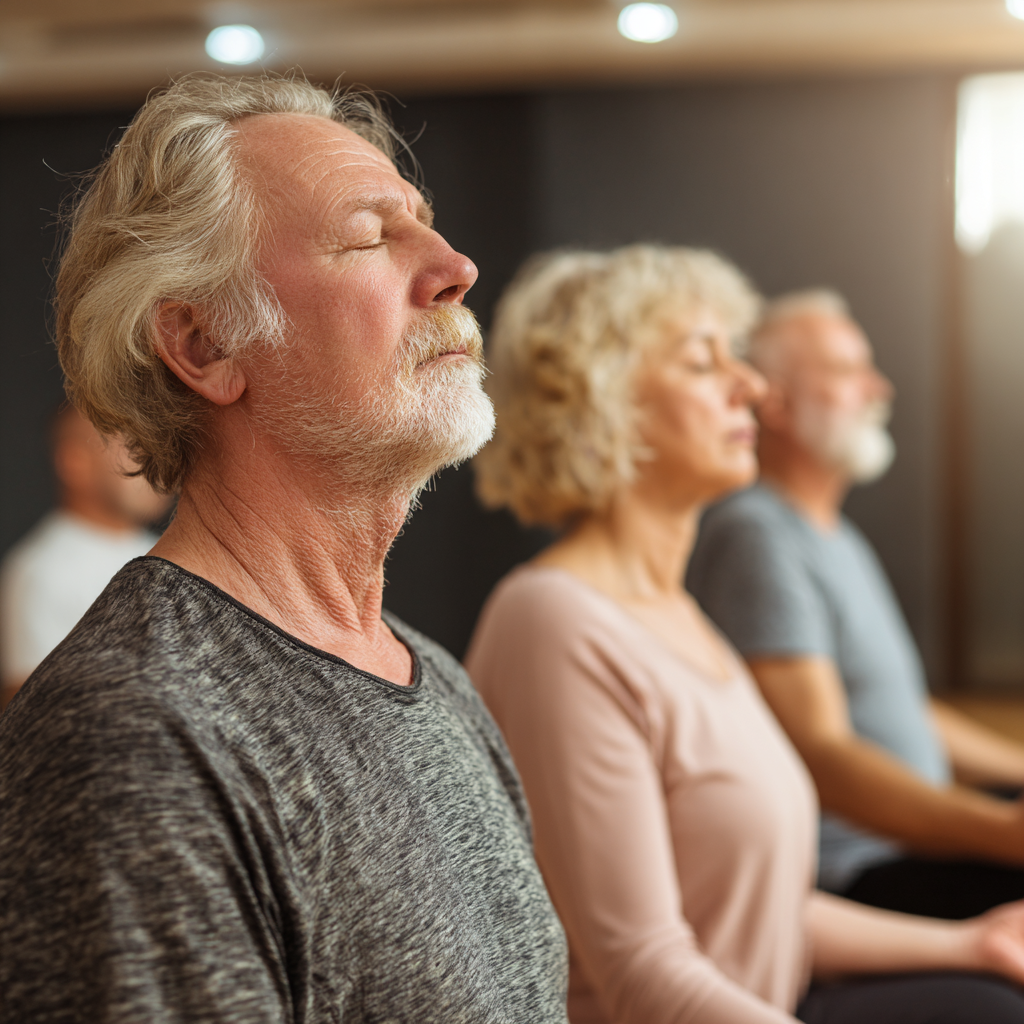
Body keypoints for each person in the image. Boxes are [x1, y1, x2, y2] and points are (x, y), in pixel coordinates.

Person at [0, 74, 567, 1023]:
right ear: (205, 342)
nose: (456, 266)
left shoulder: (431, 676)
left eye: (425, 223)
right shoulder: (140, 733)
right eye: (368, 237)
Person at [466, 245, 1024, 1024]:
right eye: (704, 364)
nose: (752, 388)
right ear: (605, 403)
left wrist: (970, 945)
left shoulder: (686, 621)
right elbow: (644, 975)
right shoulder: (552, 623)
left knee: (992, 993)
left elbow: (759, 908)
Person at [687, 289, 1024, 919]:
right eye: (847, 369)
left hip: (912, 848)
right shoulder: (757, 534)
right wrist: (1000, 832)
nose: (880, 388)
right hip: (858, 876)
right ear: (778, 403)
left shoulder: (835, 536)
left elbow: (902, 712)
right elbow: (821, 750)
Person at [0, 405, 171, 707]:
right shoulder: (41, 572)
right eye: (135, 448)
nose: (156, 464)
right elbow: (33, 714)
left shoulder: (168, 553)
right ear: (75, 461)